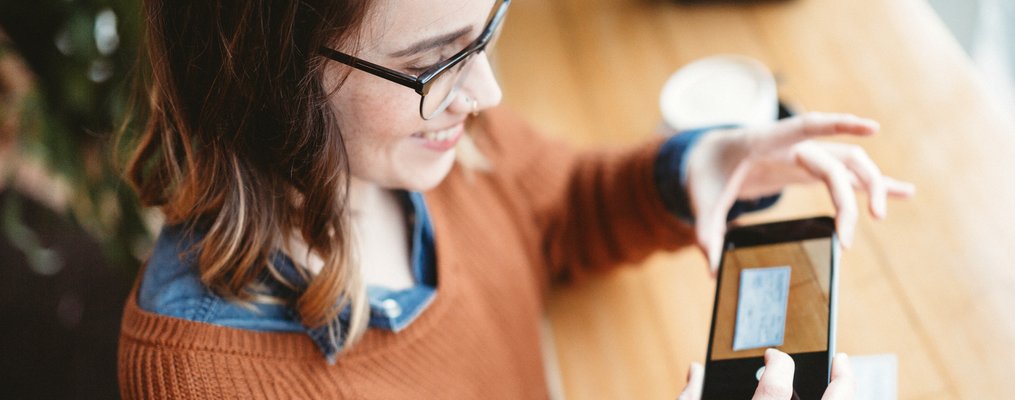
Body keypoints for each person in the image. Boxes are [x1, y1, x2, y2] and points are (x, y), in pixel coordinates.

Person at [117, 0, 915, 398]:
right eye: (436, 63)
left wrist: (698, 167)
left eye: (488, 28)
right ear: (266, 74)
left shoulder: (440, 145)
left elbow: (557, 206)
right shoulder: (203, 379)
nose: (487, 90)